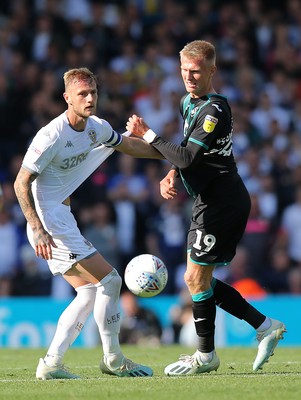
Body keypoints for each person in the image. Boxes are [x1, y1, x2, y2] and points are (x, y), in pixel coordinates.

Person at [126, 40, 286, 375]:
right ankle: (263, 326)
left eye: (197, 71)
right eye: (184, 70)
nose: (190, 77)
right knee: (199, 280)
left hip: (222, 202)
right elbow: (187, 150)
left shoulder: (215, 110)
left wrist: (147, 133)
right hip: (209, 199)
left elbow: (188, 156)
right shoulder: (189, 102)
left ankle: (206, 355)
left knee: (195, 279)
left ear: (212, 71)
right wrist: (172, 172)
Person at [14, 67, 163, 380]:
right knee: (110, 281)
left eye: (93, 92)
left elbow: (127, 145)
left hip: (61, 219)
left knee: (90, 293)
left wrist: (170, 154)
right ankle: (114, 359)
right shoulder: (52, 134)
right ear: (67, 98)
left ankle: (52, 363)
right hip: (48, 221)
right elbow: (20, 182)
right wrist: (37, 227)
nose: (90, 98)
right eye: (82, 94)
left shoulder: (96, 127)